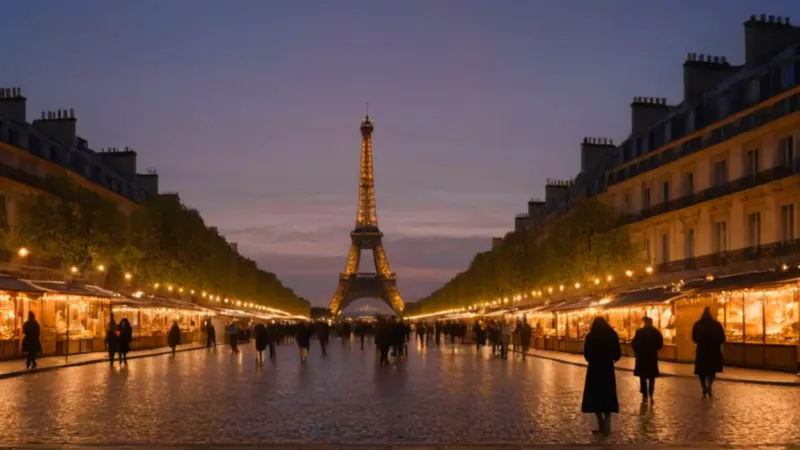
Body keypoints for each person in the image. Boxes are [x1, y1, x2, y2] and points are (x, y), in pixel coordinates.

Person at [581, 316, 622, 436]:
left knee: (595, 396)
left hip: (594, 369)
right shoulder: (612, 334)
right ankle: (607, 420)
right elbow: (617, 353)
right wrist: (612, 359)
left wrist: (593, 359)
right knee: (607, 394)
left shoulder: (591, 336)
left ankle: (600, 420)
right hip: (607, 368)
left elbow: (587, 354)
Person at [692, 306, 725, 398]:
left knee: (701, 372)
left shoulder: (698, 324)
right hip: (714, 350)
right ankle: (709, 386)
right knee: (712, 371)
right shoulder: (716, 324)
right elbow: (722, 338)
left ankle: (704, 387)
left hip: (702, 350)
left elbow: (694, 338)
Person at [631, 316, 663, 402]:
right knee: (652, 376)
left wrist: (637, 351)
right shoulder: (656, 332)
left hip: (642, 356)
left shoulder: (639, 332)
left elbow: (634, 343)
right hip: (652, 356)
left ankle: (644, 392)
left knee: (643, 375)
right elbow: (660, 345)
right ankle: (651, 391)